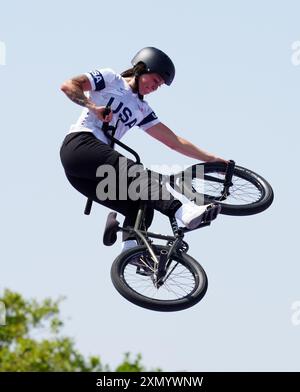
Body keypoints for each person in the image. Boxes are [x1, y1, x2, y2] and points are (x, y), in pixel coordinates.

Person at [60, 47, 227, 252]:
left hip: (85, 176)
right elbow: (69, 85)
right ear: (141, 69)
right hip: (81, 146)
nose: (156, 87)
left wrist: (210, 159)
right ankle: (183, 211)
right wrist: (93, 107)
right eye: (155, 81)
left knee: (142, 205)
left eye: (160, 85)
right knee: (138, 175)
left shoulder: (142, 109)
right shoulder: (111, 79)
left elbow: (173, 141)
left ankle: (130, 252)